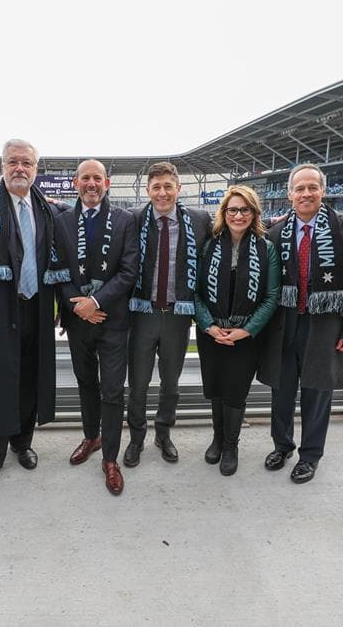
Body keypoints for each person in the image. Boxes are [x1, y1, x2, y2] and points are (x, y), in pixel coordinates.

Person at [0, 139, 65, 493]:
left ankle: (22, 442)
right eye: (13, 162)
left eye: (27, 163)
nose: (20, 168)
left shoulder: (46, 209)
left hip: (36, 308)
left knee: (30, 378)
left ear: (36, 168)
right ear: (1, 166)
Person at [258, 163, 343, 483]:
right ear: (290, 194)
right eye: (299, 188)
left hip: (325, 326)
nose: (306, 193)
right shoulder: (275, 231)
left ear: (323, 190)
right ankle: (282, 446)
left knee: (317, 394)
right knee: (281, 392)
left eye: (312, 187)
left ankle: (310, 456)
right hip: (284, 324)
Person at [52, 159, 138, 495]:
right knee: (86, 382)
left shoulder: (124, 220)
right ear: (76, 183)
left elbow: (129, 271)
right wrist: (80, 306)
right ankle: (91, 436)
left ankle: (111, 459)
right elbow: (56, 270)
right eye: (85, 178)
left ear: (107, 183)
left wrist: (96, 302)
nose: (91, 183)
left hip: (113, 321)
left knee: (113, 391)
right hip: (79, 322)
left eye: (97, 178)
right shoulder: (62, 222)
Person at [124, 162, 212, 467]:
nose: (162, 193)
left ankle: (163, 433)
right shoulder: (133, 218)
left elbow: (236, 228)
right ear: (148, 191)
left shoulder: (199, 220)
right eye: (156, 187)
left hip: (178, 314)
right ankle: (136, 438)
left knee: (170, 384)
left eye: (168, 186)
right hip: (143, 313)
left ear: (178, 189)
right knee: (137, 383)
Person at [193, 186, 280, 476]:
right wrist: (208, 325)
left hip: (245, 336)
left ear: (254, 213)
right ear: (224, 213)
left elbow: (271, 296)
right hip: (212, 332)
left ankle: (231, 445)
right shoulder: (209, 246)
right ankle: (217, 438)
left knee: (235, 392)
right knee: (216, 388)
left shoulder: (266, 248)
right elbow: (195, 292)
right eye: (232, 209)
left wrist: (248, 329)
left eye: (245, 210)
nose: (238, 215)